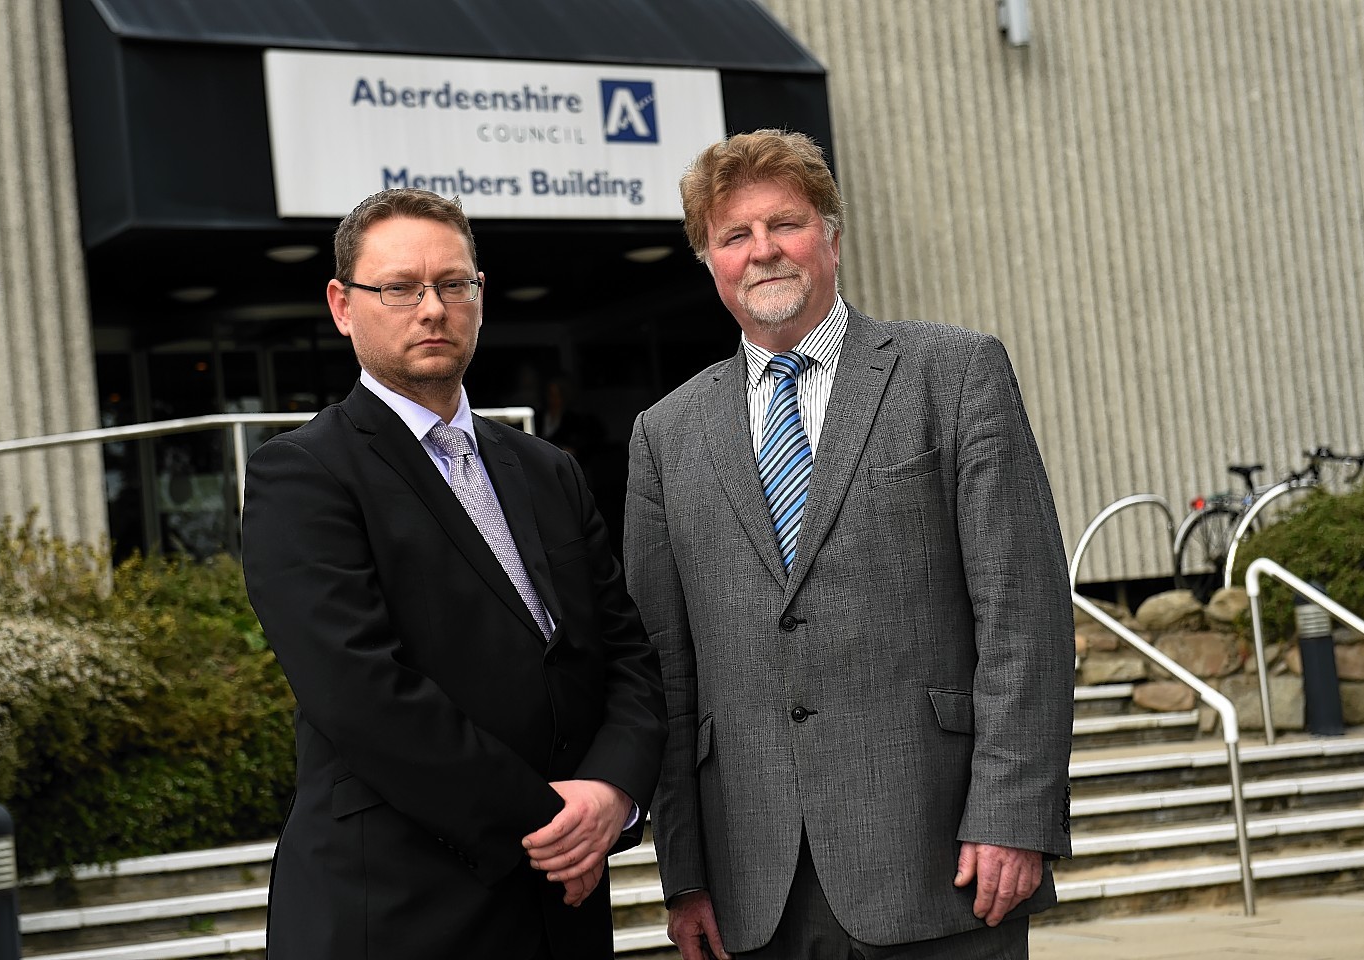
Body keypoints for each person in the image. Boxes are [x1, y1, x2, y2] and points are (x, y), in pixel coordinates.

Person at [623, 130, 1074, 959]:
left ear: (831, 234)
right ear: (709, 262)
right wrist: (682, 872)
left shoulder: (956, 372)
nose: (763, 252)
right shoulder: (665, 434)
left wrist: (1013, 815)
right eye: (734, 236)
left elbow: (1024, 614)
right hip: (753, 892)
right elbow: (666, 670)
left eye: (785, 224)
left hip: (944, 863)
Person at [242, 188, 666, 960]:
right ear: (343, 306)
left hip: (561, 912)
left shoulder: (548, 471)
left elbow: (627, 655)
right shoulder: (301, 476)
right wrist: (545, 822)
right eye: (400, 287)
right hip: (401, 911)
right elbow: (365, 696)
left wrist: (613, 792)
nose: (431, 308)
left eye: (454, 284)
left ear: (479, 296)